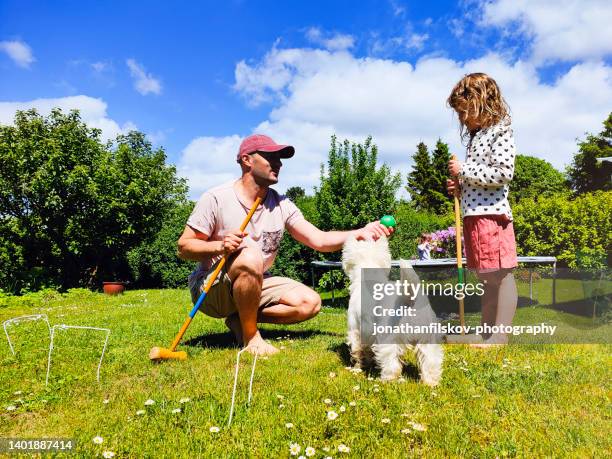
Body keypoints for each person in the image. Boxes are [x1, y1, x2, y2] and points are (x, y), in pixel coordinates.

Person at [177, 134, 393, 356]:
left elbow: (319, 240)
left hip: (255, 281)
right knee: (250, 254)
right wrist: (219, 247)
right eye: (271, 157)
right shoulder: (216, 198)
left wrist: (361, 232)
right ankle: (251, 339)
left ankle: (239, 320)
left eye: (280, 158)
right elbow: (184, 247)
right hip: (212, 288)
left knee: (310, 303)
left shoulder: (281, 203)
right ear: (246, 160)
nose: (278, 163)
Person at [446, 73, 518, 347]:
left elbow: (502, 173)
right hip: (474, 216)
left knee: (501, 274)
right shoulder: (477, 137)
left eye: (465, 112)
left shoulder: (500, 130)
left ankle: (500, 336)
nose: (463, 119)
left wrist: (464, 170)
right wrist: (460, 187)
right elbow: (480, 180)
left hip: (492, 215)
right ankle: (487, 332)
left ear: (481, 102)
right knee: (487, 277)